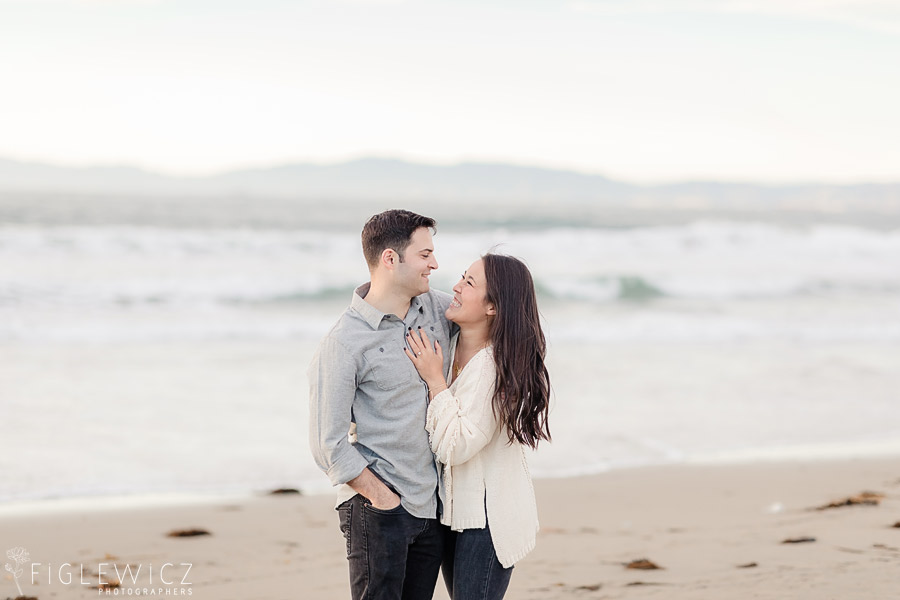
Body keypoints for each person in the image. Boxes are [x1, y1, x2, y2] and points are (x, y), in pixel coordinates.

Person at [308, 209, 454, 600]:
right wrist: (381, 497)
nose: (434, 264)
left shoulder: (439, 310)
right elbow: (327, 443)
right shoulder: (344, 342)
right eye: (425, 255)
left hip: (432, 507)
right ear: (391, 259)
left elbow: (498, 316)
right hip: (380, 509)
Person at [404, 253, 551, 600]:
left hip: (487, 520)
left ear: (493, 308)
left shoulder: (492, 368)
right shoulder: (452, 346)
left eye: (469, 283)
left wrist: (435, 381)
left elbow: (455, 447)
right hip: (456, 512)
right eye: (461, 277)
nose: (455, 286)